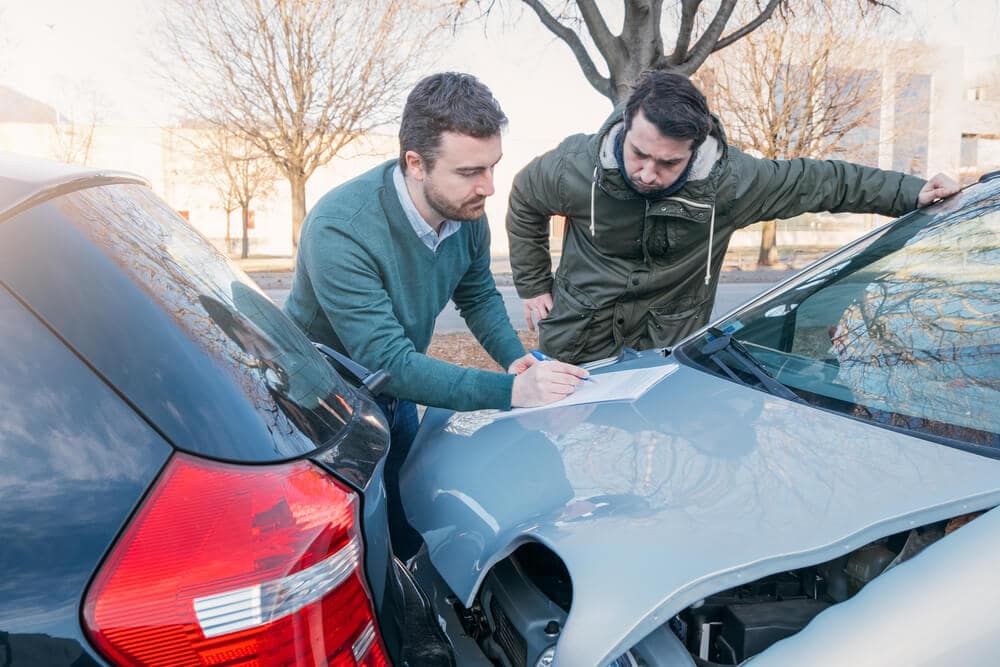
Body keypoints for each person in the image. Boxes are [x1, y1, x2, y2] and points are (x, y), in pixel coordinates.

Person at [283, 72, 589, 558]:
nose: (488, 187)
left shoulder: (466, 212)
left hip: (395, 385)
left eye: (493, 167)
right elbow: (387, 359)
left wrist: (515, 359)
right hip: (323, 403)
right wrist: (511, 393)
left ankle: (414, 587)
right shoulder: (340, 228)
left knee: (402, 496)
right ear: (416, 164)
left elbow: (479, 294)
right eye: (470, 172)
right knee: (349, 530)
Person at [506, 70, 960, 364]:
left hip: (667, 347)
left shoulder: (731, 183)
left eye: (667, 164)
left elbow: (822, 181)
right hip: (577, 340)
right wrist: (532, 284)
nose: (647, 173)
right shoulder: (573, 166)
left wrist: (909, 192)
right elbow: (525, 200)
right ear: (627, 125)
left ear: (694, 150)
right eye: (639, 154)